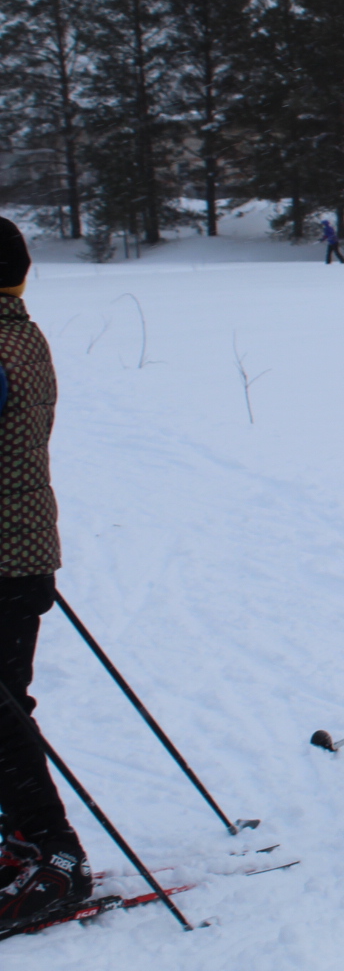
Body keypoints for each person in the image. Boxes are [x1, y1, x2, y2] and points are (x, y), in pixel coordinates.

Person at [0, 219, 92, 927]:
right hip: (21, 549)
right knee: (4, 703)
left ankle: (51, 857)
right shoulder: (21, 332)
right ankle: (22, 844)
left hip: (5, 554)